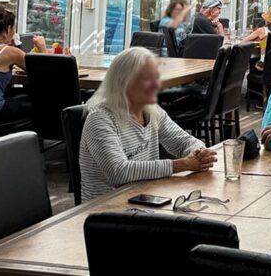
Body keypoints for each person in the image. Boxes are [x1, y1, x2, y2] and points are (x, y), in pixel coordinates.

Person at [79, 47, 217, 201]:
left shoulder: (151, 110)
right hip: (104, 211)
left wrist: (199, 152)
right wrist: (181, 165)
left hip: (145, 200)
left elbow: (183, 141)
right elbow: (118, 172)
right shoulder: (100, 118)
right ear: (124, 82)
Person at [0, 6, 46, 122]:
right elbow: (43, 70)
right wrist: (42, 47)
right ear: (8, 29)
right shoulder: (9, 52)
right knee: (42, 100)